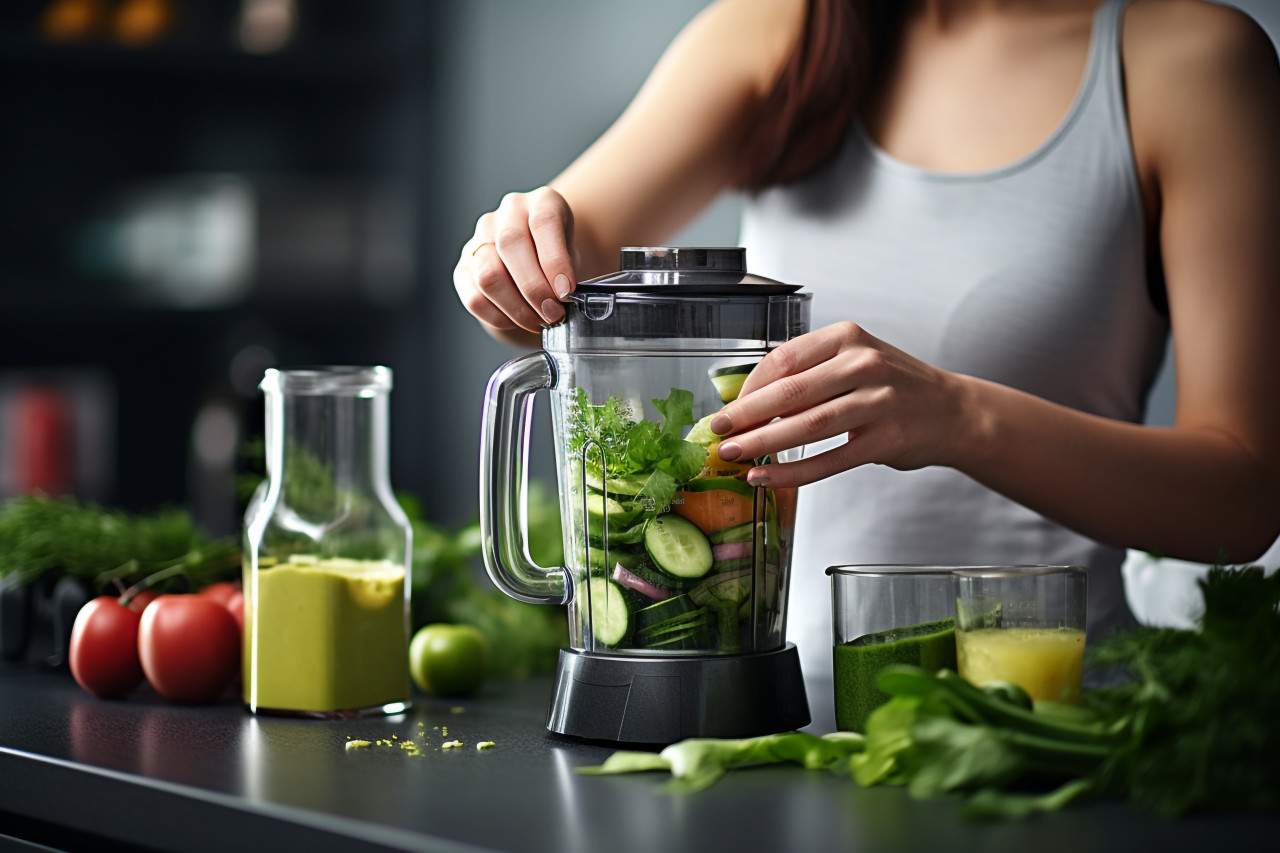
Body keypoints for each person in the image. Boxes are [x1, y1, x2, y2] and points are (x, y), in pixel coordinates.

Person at [453, 0, 1280, 682]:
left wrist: (957, 416)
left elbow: (1244, 499)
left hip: (1057, 726)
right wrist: (511, 257)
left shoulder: (1190, 62)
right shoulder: (782, 31)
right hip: (782, 724)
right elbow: (558, 266)